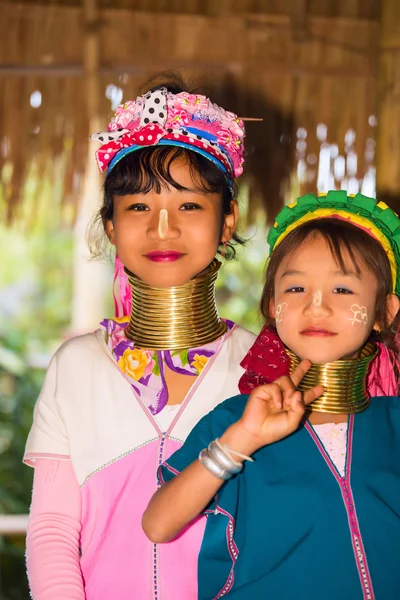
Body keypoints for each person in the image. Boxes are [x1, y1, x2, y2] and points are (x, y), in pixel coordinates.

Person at [24, 76, 256, 599]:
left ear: (227, 221)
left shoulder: (262, 366)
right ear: (110, 225)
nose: (162, 228)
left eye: (191, 206)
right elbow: (54, 530)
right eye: (137, 207)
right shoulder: (76, 367)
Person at [143, 191, 400, 600]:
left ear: (384, 313)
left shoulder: (394, 423)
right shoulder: (236, 419)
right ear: (271, 303)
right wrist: (242, 440)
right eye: (296, 288)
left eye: (342, 289)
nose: (316, 307)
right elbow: (158, 524)